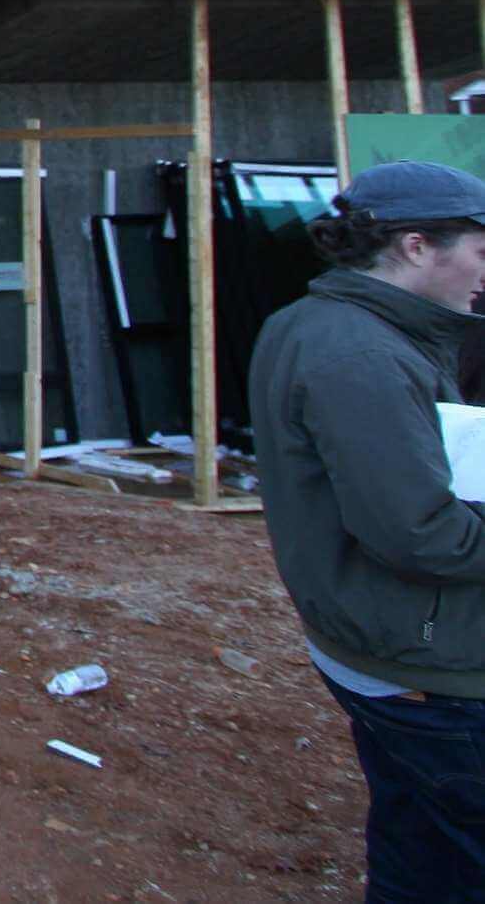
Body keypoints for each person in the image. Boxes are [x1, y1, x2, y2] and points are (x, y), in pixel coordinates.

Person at [249, 159, 485, 902]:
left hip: (386, 648)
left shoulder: (326, 324)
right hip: (426, 668)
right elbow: (419, 533)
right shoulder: (362, 354)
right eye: (482, 247)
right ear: (417, 245)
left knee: (424, 846)